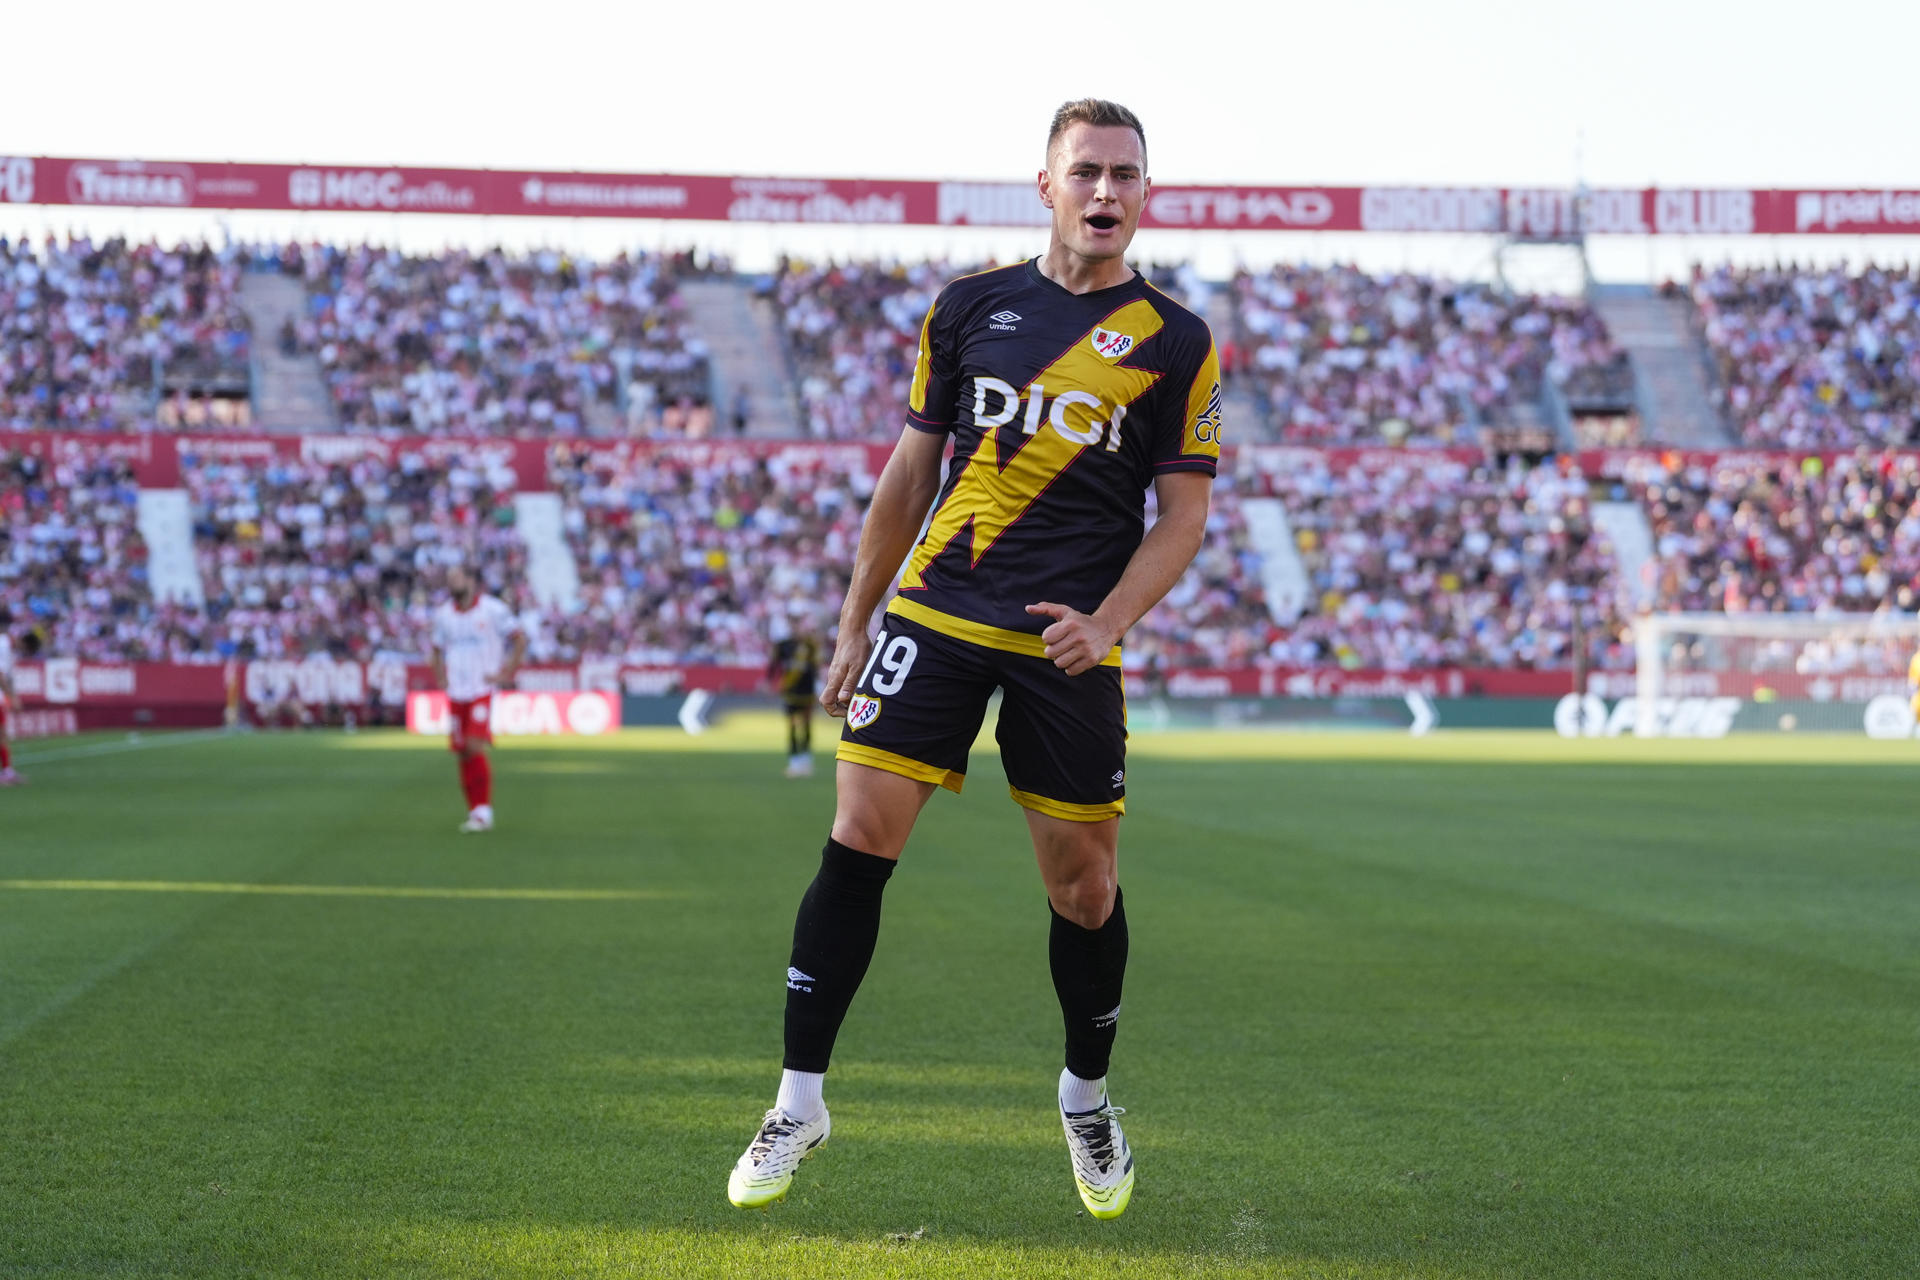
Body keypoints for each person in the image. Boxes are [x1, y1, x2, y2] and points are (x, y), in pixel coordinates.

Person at [726, 98, 1222, 1219]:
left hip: (1065, 641)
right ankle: (799, 1097)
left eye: (1126, 176)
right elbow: (909, 475)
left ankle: (1084, 1095)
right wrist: (857, 623)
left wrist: (1106, 625)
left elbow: (1182, 516)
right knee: (859, 832)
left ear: (1148, 195)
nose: (1107, 192)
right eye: (1087, 170)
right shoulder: (969, 308)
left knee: (1083, 886)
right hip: (936, 614)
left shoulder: (1179, 342)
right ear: (1045, 184)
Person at [428, 566, 527, 833]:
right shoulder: (444, 615)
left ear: (471, 581)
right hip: (456, 691)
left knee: (474, 745)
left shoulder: (493, 610)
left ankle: (484, 810)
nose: (452, 583)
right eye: (449, 579)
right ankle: (475, 811)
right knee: (461, 751)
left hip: (481, 688)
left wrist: (506, 672)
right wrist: (441, 678)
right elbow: (436, 649)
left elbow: (519, 639)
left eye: (457, 578)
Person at [766, 623, 822, 777]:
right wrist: (770, 682)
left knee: (807, 726)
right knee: (791, 727)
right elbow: (774, 664)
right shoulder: (783, 646)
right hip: (790, 692)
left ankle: (806, 761)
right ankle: (794, 762)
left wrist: (819, 689)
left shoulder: (810, 646)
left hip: (808, 692)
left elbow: (816, 668)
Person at [0, 608, 20, 786]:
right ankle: (6, 771)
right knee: (2, 735)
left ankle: (7, 770)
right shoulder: (3, 643)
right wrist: (10, 695)